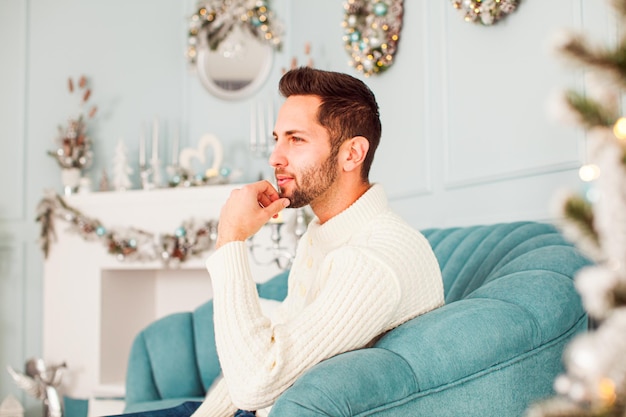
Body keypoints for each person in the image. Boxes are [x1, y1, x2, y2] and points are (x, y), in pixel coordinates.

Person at [119, 67, 445, 417]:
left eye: (296, 139)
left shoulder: (373, 258)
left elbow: (254, 383)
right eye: (277, 138)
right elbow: (275, 342)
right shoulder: (324, 237)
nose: (275, 156)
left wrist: (231, 240)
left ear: (352, 154)